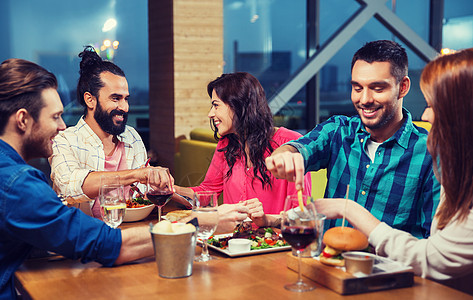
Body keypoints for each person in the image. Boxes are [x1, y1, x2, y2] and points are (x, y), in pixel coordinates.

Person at [314, 47, 473, 295]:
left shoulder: (431, 155)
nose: (425, 114)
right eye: (357, 87)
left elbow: (432, 257)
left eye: (433, 105)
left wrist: (350, 209)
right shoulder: (459, 172)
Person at [0, 58, 154, 300]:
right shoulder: (17, 183)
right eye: (55, 117)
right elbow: (107, 244)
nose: (62, 126)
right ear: (22, 120)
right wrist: (194, 224)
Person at [266, 40, 440, 238]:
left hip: (389, 268)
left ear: (403, 87)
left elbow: (432, 242)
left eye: (377, 88)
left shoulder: (431, 152)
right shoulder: (338, 130)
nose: (364, 99)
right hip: (327, 264)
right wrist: (284, 155)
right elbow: (298, 148)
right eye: (357, 88)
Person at [175, 72, 312, 229]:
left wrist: (267, 219)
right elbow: (206, 195)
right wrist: (170, 190)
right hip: (234, 244)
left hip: (274, 245)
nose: (210, 114)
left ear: (237, 105)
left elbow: (300, 213)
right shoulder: (226, 144)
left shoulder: (290, 144)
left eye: (216, 105)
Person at [49, 46, 172, 218]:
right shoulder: (64, 141)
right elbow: (70, 188)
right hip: (83, 240)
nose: (124, 107)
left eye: (126, 98)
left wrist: (157, 182)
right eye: (116, 98)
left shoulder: (132, 137)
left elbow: (140, 197)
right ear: (90, 100)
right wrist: (136, 174)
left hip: (130, 231)